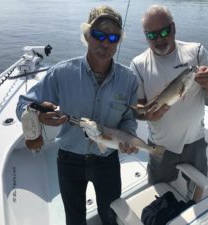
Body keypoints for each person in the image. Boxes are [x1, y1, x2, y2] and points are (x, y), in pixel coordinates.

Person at [16, 5, 138, 225]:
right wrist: (37, 116)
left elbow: (129, 117)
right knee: (74, 219)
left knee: (111, 216)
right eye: (99, 35)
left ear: (119, 40)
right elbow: (24, 104)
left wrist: (128, 135)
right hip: (69, 160)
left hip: (107, 161)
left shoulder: (129, 79)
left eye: (113, 37)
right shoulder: (62, 73)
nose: (105, 43)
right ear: (86, 35)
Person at [130, 5, 208, 199]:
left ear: (173, 28)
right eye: (151, 35)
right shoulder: (138, 64)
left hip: (195, 141)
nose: (158, 39)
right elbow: (138, 109)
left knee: (198, 188)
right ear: (145, 35)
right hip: (160, 145)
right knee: (158, 191)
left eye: (164, 31)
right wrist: (145, 114)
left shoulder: (196, 51)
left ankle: (195, 209)